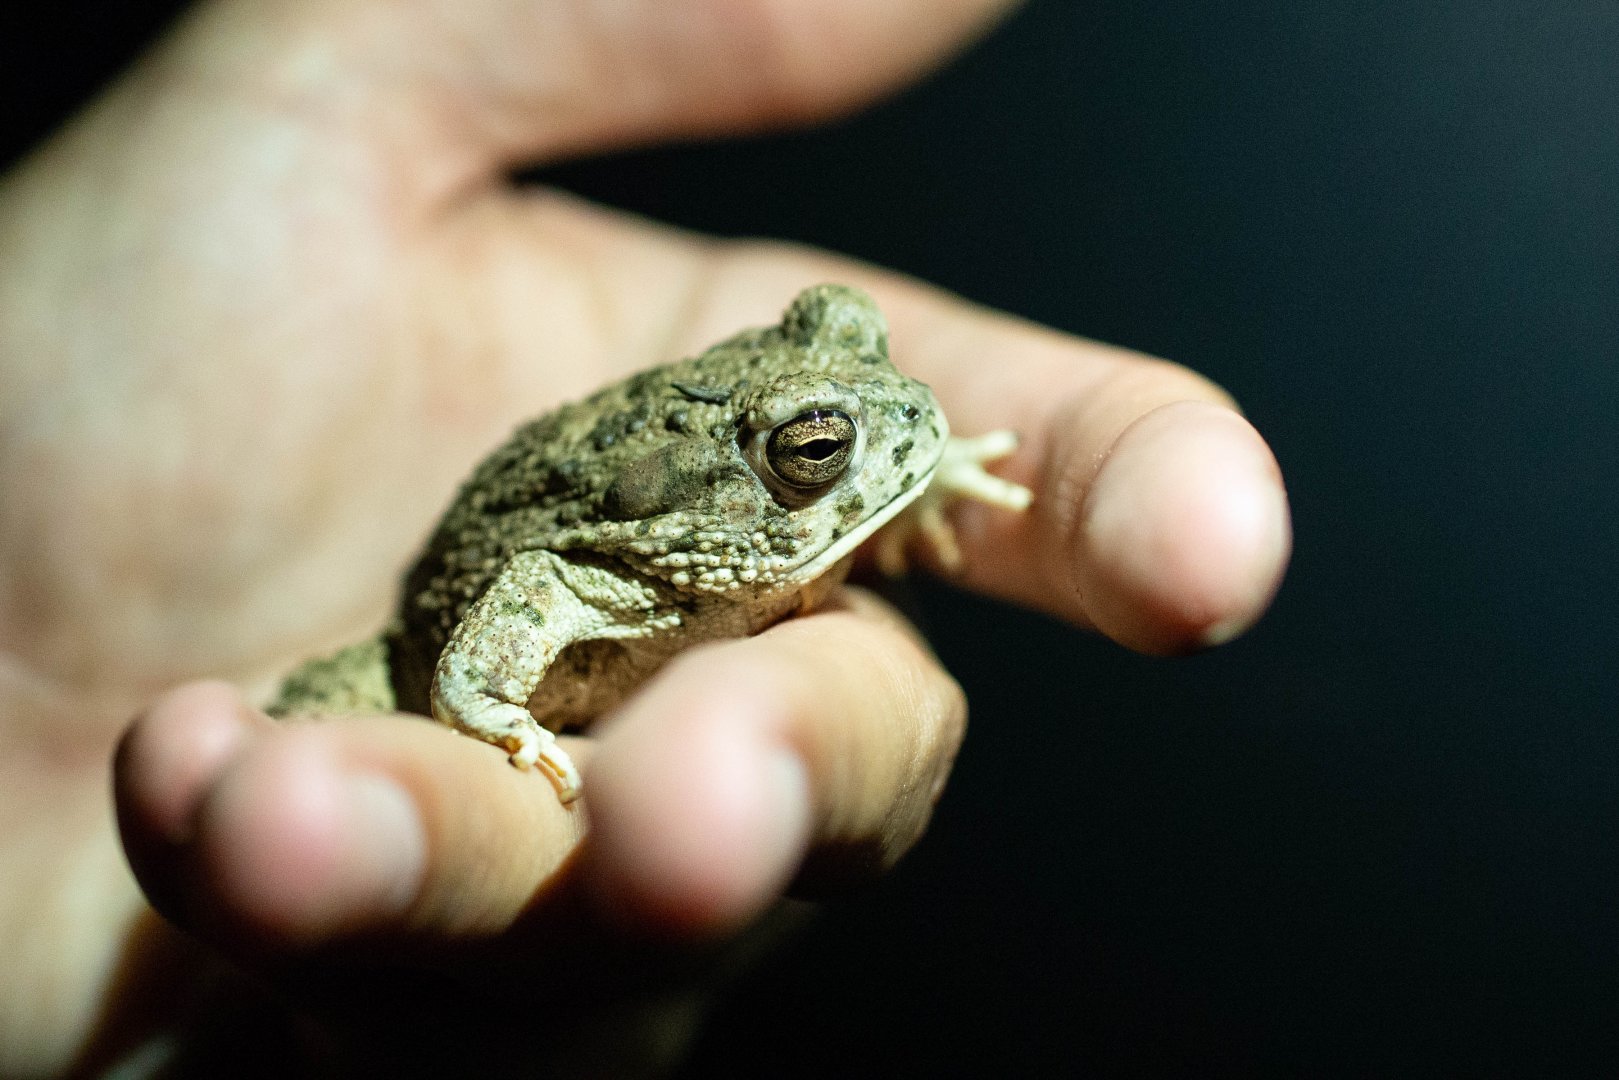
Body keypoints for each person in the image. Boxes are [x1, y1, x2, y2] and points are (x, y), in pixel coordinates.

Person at [0, 0, 1291, 1073]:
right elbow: (537, 580)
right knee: (303, 755)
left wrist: (926, 464)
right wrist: (491, 712)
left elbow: (871, 417)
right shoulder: (648, 556)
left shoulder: (785, 472)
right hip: (406, 661)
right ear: (741, 492)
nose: (900, 412)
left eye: (864, 367)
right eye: (816, 453)